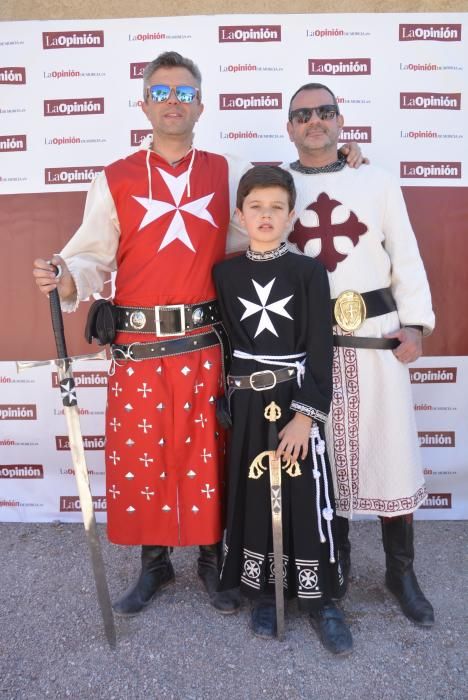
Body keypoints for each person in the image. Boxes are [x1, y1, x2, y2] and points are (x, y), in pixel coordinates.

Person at [32, 51, 364, 620]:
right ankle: (154, 562)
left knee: (209, 456)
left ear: (201, 105)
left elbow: (273, 197)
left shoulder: (225, 168)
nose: (172, 103)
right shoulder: (114, 178)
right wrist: (65, 274)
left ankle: (215, 560)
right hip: (136, 347)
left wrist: (341, 160)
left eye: (184, 93)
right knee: (142, 456)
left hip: (207, 344)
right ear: (144, 104)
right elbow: (89, 255)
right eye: (161, 93)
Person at [284, 82, 435, 627]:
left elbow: (406, 252)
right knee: (326, 463)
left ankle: (401, 572)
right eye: (303, 115)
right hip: (311, 344)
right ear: (290, 127)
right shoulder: (279, 186)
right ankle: (337, 564)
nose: (314, 122)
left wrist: (416, 324)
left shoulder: (375, 178)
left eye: (324, 112)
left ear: (340, 120)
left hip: (377, 336)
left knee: (390, 450)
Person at [213, 165, 353, 655]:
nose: (266, 215)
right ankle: (264, 593)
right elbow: (221, 340)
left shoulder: (308, 272)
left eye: (276, 208)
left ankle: (322, 599)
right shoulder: (225, 273)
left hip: (294, 399)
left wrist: (306, 415)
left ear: (292, 216)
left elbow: (320, 347)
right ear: (240, 214)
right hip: (249, 402)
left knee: (306, 494)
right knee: (253, 493)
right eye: (256, 207)